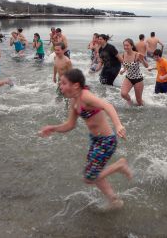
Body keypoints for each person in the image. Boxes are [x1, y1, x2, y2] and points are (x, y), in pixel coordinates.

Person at [39, 68, 131, 209]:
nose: (60, 86)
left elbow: (108, 106)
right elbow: (70, 125)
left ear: (75, 85)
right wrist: (53, 128)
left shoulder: (85, 96)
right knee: (93, 173)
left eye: (63, 83)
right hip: (95, 141)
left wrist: (118, 125)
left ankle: (119, 165)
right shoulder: (74, 102)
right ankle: (113, 199)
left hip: (106, 141)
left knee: (90, 177)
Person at [120, 39, 148, 106]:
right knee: (123, 94)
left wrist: (142, 59)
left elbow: (146, 66)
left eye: (127, 45)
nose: (125, 47)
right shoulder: (123, 54)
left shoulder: (137, 55)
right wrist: (123, 70)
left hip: (138, 79)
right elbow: (127, 66)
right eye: (124, 45)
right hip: (128, 78)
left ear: (132, 46)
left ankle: (144, 110)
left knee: (139, 101)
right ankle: (130, 101)